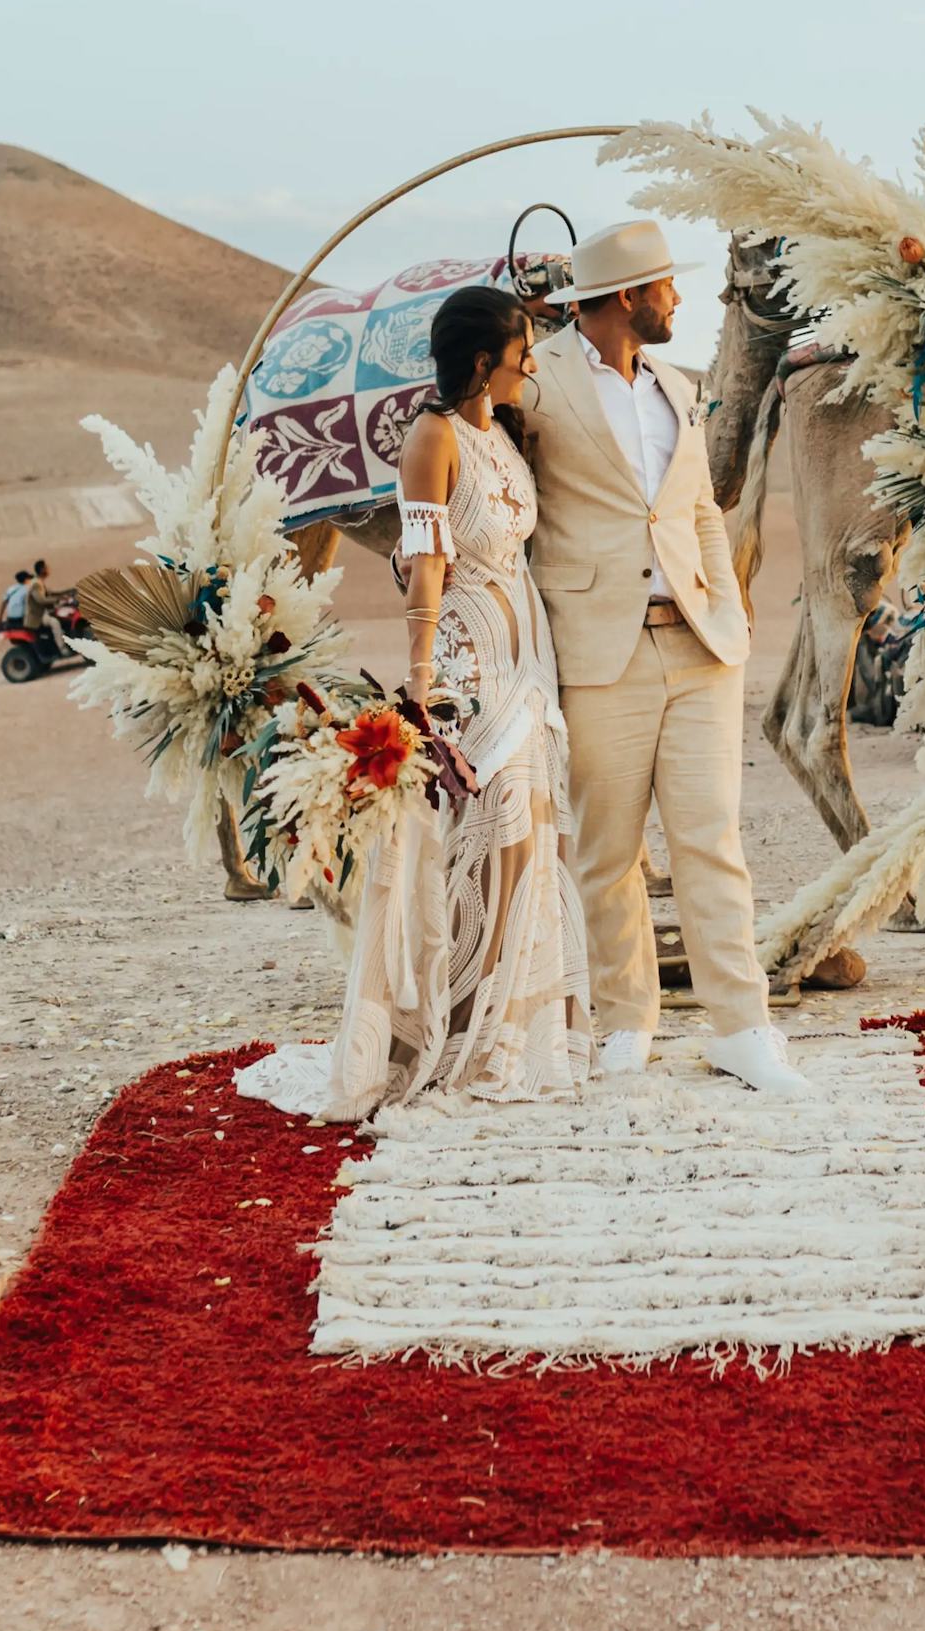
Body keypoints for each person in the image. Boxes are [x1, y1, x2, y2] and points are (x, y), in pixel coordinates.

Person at [240, 288, 594, 1118]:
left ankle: (516, 1026)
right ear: (481, 360)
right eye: (520, 351)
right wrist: (424, 675)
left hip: (527, 655)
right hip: (469, 661)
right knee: (481, 829)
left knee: (531, 832)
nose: (530, 365)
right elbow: (427, 561)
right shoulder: (432, 439)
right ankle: (456, 1028)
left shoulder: (503, 438)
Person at [521, 220, 809, 1094]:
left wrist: (731, 610)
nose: (678, 299)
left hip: (699, 647)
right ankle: (625, 1023)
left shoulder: (677, 388)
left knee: (711, 841)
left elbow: (697, 511)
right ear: (623, 298)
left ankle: (743, 1026)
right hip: (597, 648)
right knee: (606, 852)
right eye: (665, 287)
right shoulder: (537, 382)